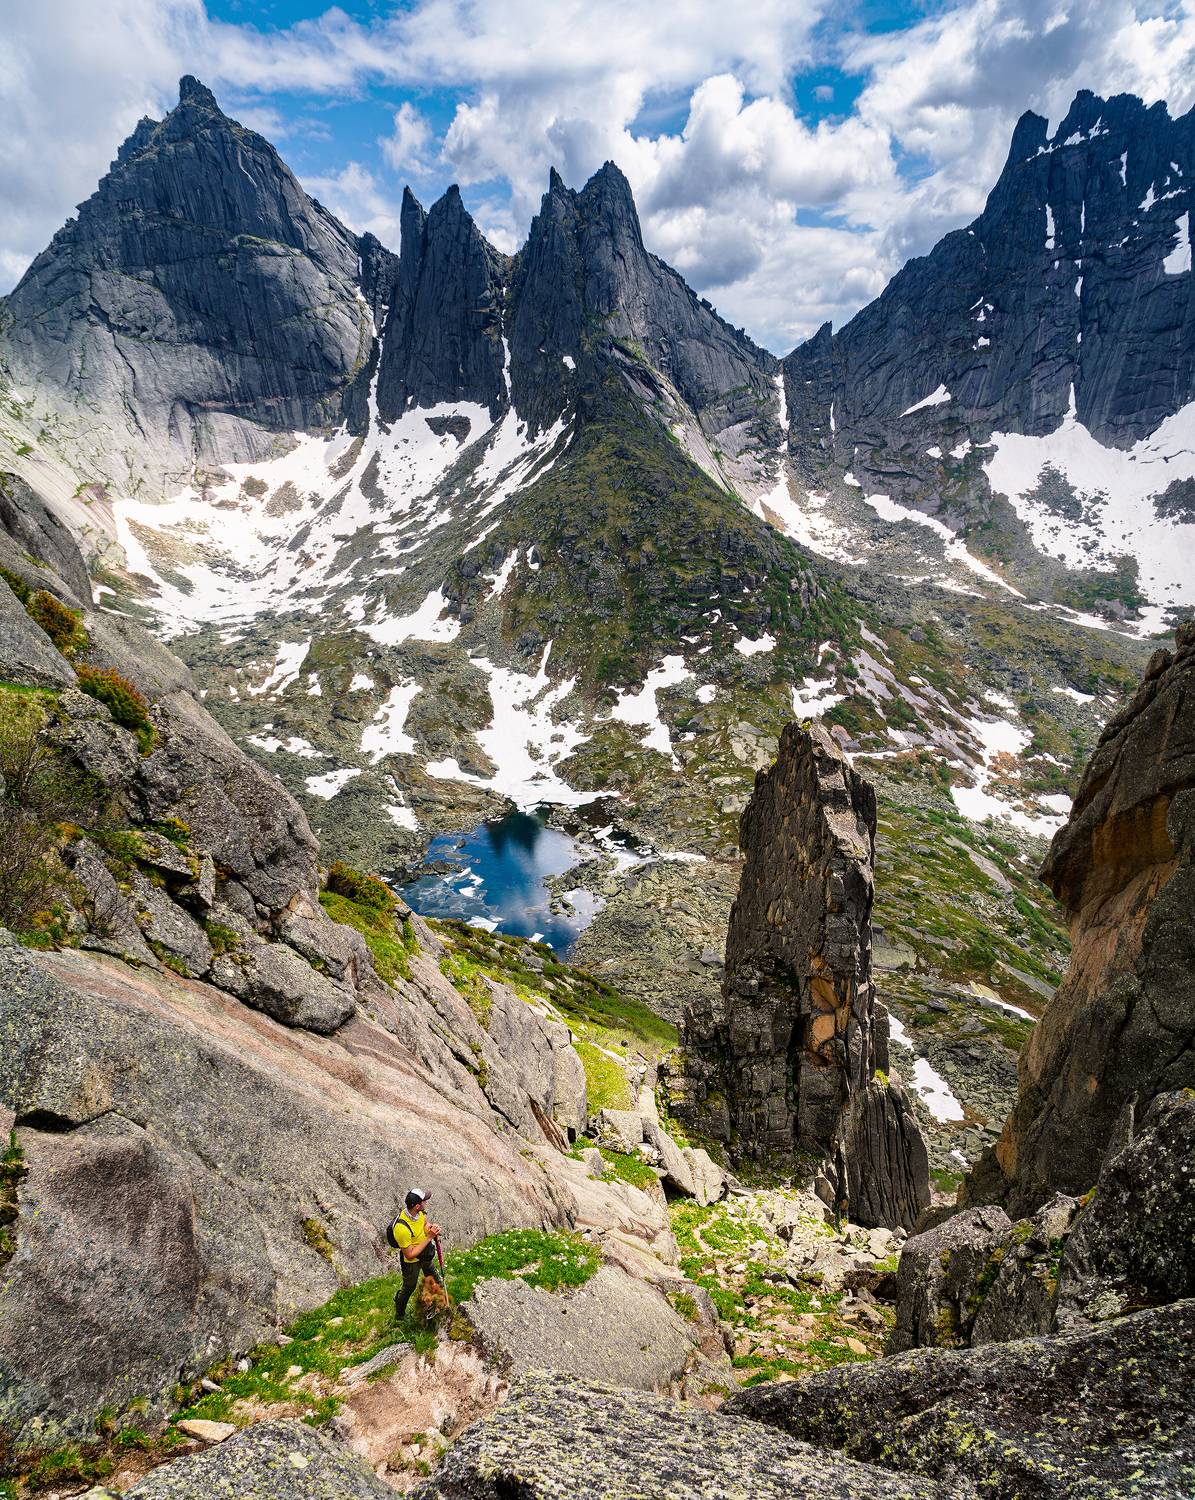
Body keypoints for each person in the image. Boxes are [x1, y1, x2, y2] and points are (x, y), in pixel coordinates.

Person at [391, 1187, 443, 1323]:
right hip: (411, 1263)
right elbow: (409, 1255)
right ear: (417, 1205)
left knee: (435, 1280)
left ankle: (439, 1304)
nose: (426, 1202)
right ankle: (399, 1315)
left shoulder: (420, 1214)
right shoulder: (401, 1228)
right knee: (409, 1287)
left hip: (424, 1254)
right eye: (424, 1200)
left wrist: (431, 1228)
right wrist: (429, 1237)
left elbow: (424, 1224)